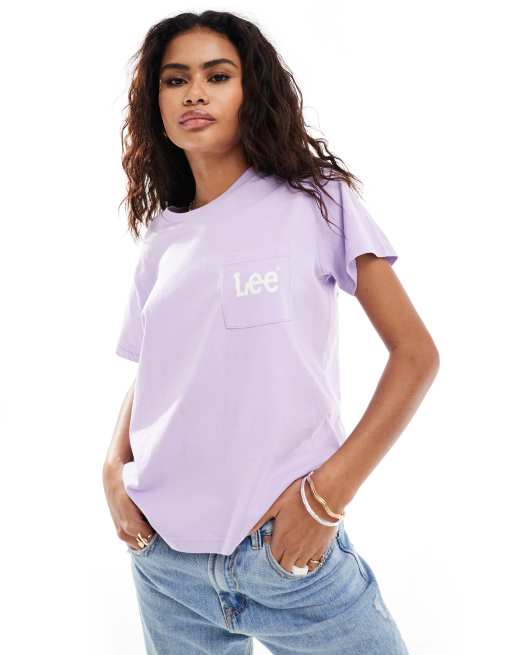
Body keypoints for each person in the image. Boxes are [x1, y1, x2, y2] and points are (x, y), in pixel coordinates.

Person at [103, 10, 439, 655]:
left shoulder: (316, 201)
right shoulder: (163, 236)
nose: (194, 93)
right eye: (175, 80)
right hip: (165, 563)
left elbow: (416, 354)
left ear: (250, 91)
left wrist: (327, 498)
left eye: (217, 76)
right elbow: (156, 369)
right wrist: (112, 469)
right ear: (156, 104)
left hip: (285, 556)